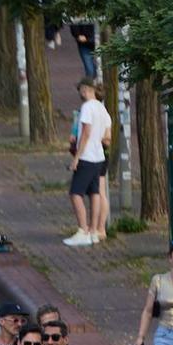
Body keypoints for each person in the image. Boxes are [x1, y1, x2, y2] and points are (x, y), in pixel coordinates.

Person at [64, 76, 112, 247]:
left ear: (86, 89)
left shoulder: (86, 108)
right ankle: (94, 231)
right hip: (99, 156)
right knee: (95, 193)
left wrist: (76, 158)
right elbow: (107, 137)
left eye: (81, 90)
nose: (80, 93)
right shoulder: (102, 109)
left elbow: (85, 132)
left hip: (86, 156)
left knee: (75, 193)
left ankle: (82, 229)